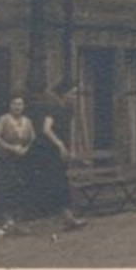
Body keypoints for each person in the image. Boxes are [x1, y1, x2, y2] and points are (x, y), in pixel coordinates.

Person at [25, 78, 86, 230]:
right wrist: (59, 144)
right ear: (64, 93)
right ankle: (67, 218)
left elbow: (67, 131)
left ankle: (68, 218)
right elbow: (46, 129)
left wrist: (68, 148)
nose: (74, 97)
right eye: (72, 93)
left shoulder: (67, 109)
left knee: (60, 183)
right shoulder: (53, 107)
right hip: (48, 151)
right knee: (58, 183)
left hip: (58, 151)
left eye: (76, 94)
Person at [0, 94, 34, 236]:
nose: (17, 107)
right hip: (4, 159)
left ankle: (17, 222)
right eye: (14, 104)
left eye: (20, 104)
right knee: (4, 189)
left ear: (23, 106)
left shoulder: (27, 121)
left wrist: (25, 149)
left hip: (21, 160)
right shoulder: (4, 119)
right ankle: (3, 221)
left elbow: (32, 138)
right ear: (10, 105)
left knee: (19, 189)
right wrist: (11, 148)